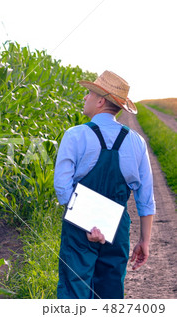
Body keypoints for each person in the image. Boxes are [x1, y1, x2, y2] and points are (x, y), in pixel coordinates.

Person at [53, 70, 155, 299]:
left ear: (100, 101)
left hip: (78, 227)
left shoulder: (75, 135)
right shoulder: (136, 142)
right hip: (117, 227)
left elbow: (62, 187)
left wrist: (89, 221)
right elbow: (145, 198)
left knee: (74, 293)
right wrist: (144, 241)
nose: (84, 98)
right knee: (109, 294)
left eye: (88, 93)